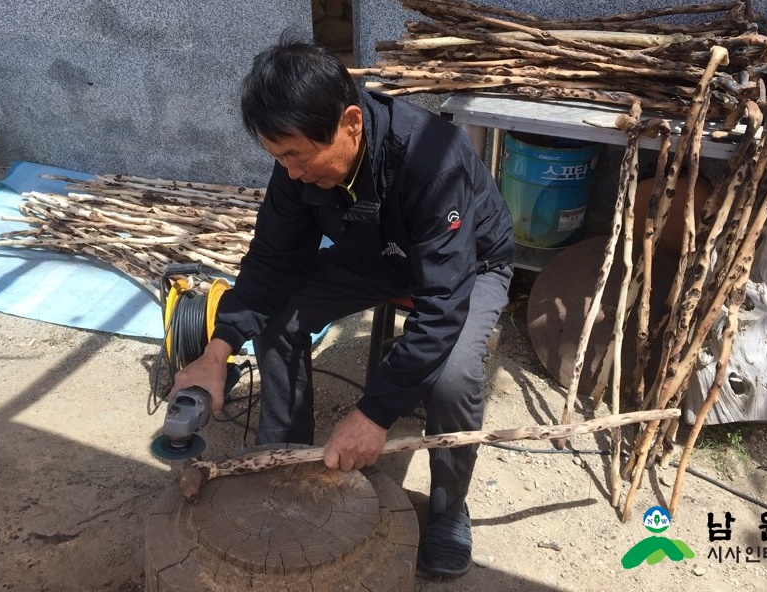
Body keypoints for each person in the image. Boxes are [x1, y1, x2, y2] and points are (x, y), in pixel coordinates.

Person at [170, 31, 514, 579]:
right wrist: (218, 350)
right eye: (277, 157)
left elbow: (443, 303)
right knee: (280, 321)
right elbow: (271, 262)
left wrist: (374, 413)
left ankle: (450, 507)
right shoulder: (296, 165)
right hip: (372, 254)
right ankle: (284, 461)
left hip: (468, 265)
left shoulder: (434, 159)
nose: (290, 172)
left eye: (297, 157)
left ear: (351, 123)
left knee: (450, 376)